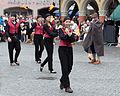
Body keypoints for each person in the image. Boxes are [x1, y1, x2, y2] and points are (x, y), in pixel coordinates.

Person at [58, 16, 79, 93]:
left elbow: (73, 39)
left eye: (69, 21)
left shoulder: (71, 30)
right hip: (62, 49)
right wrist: (68, 35)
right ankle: (67, 86)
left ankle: (62, 80)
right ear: (63, 23)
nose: (68, 23)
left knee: (70, 67)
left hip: (69, 49)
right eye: (66, 21)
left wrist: (70, 35)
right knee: (64, 67)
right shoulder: (60, 29)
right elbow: (62, 37)